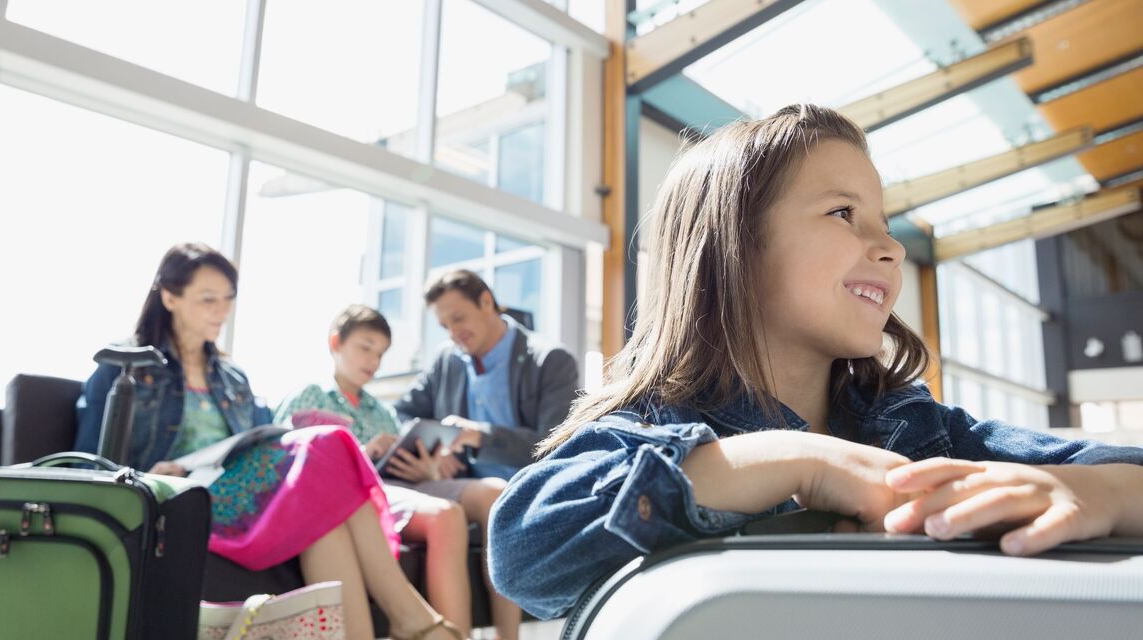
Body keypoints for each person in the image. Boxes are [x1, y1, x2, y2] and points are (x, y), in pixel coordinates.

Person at [486, 105, 1143, 620]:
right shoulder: (649, 428)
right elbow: (523, 551)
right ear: (734, 249)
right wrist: (798, 461)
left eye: (884, 222)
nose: (887, 245)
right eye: (843, 213)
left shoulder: (923, 432)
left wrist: (1099, 494)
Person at [75, 242, 460, 640]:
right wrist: (149, 477)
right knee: (329, 442)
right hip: (184, 500)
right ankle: (411, 617)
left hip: (240, 493)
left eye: (227, 299)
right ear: (170, 297)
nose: (221, 311)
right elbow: (88, 466)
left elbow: (264, 442)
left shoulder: (233, 378)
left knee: (326, 515)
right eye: (208, 299)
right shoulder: (123, 364)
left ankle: (401, 622)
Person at [277, 305, 522, 639]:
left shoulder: (383, 411)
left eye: (380, 354)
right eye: (365, 348)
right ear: (336, 343)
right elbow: (287, 461)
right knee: (445, 514)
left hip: (393, 488)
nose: (373, 362)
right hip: (351, 493)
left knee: (450, 512)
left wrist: (426, 467)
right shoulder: (311, 395)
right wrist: (364, 452)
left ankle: (455, 634)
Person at [394, 270, 579, 480]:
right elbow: (401, 414)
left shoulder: (551, 360)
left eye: (458, 318)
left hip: (534, 490)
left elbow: (557, 445)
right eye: (445, 326)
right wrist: (432, 451)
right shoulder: (447, 359)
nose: (453, 333)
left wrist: (480, 436)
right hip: (468, 492)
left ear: (486, 302)